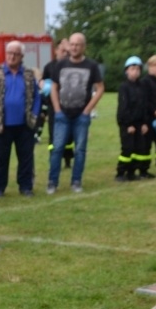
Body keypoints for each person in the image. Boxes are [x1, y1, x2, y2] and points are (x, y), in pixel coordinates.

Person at [46, 33, 104, 194]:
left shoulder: (91, 66)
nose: (74, 47)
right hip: (62, 115)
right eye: (72, 44)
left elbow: (100, 88)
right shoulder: (61, 64)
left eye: (78, 44)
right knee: (57, 148)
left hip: (81, 116)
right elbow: (53, 87)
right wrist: (57, 109)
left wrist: (88, 110)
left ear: (84, 46)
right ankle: (52, 182)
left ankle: (76, 181)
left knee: (80, 150)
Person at [0, 41, 41, 197]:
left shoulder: (28, 74)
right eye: (9, 53)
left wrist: (34, 115)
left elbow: (36, 97)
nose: (12, 56)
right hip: (2, 123)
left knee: (26, 157)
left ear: (21, 56)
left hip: (25, 124)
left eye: (16, 54)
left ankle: (26, 186)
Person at [40, 39, 75, 169]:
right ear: (55, 51)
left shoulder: (71, 65)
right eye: (62, 50)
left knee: (69, 134)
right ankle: (54, 159)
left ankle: (67, 159)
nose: (65, 53)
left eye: (67, 51)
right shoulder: (49, 67)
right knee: (53, 133)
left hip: (68, 105)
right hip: (53, 106)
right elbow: (44, 83)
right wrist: (42, 84)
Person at [116, 57, 151, 181]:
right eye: (132, 69)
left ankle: (131, 172)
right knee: (127, 148)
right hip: (127, 124)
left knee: (138, 149)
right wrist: (128, 124)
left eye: (137, 69)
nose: (135, 71)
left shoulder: (142, 87)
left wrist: (145, 123)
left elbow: (144, 106)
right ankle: (120, 173)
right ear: (127, 71)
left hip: (139, 123)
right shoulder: (124, 87)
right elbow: (123, 107)